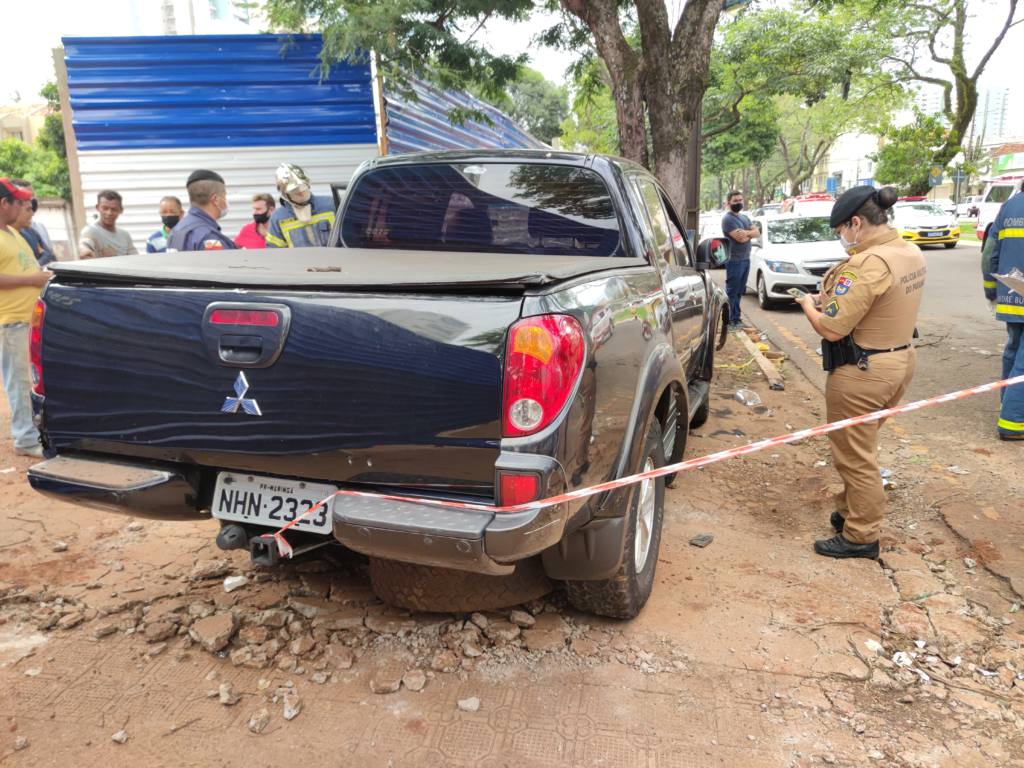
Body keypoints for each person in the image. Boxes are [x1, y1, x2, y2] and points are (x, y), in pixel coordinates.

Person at [793, 186, 925, 560]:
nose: (842, 239)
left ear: (855, 222)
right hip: (897, 362)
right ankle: (849, 511)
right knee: (860, 446)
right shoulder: (907, 251)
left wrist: (807, 304)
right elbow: (877, 303)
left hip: (863, 371)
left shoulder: (868, 263)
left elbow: (833, 328)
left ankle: (860, 535)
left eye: (841, 231)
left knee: (855, 456)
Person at [0, 178, 51, 457]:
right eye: (18, 202)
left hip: (25, 318)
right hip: (10, 321)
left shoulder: (12, 232)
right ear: (4, 203)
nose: (23, 207)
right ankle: (25, 437)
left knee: (29, 379)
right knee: (19, 380)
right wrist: (32, 278)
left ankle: (32, 432)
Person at [983, 178, 1024, 440]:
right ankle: (1013, 421)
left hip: (1012, 293)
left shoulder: (1009, 207)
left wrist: (991, 288)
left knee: (1013, 349)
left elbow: (989, 253)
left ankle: (1005, 403)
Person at [265, 163, 335, 248]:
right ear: (285, 195)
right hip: (298, 261)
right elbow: (274, 250)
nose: (301, 193)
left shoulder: (330, 205)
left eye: (303, 188)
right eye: (295, 192)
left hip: (333, 260)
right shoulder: (278, 217)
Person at [167, 170, 236, 252]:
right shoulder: (209, 237)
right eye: (224, 195)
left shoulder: (175, 231)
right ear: (215, 200)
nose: (225, 200)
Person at [721, 191, 759, 330]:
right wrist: (750, 234)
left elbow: (757, 232)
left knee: (739, 291)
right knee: (732, 291)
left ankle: (736, 319)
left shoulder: (744, 217)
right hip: (734, 260)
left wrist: (747, 233)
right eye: (735, 201)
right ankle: (731, 321)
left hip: (745, 259)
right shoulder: (728, 219)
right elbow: (740, 239)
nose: (738, 203)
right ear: (729, 202)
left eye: (740, 200)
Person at [79, 190, 137, 258]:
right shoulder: (91, 231)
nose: (109, 213)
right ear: (97, 207)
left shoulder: (125, 235)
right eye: (105, 208)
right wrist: (85, 251)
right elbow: (85, 245)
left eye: (114, 209)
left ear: (121, 210)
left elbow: (135, 258)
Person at [9, 182, 55, 266]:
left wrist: (36, 267)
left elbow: (48, 254)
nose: (32, 214)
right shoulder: (6, 237)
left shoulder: (31, 231)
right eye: (28, 209)